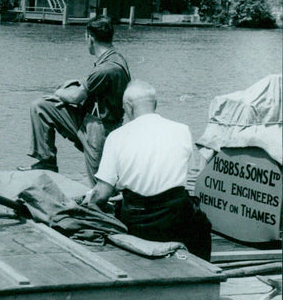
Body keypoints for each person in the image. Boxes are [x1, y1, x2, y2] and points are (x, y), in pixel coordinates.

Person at [83, 80, 212, 260]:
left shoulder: (116, 136)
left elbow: (102, 194)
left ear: (128, 107)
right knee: (202, 225)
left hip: (138, 222)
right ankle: (204, 271)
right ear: (155, 104)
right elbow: (182, 176)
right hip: (175, 218)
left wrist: (90, 200)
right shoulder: (182, 130)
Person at [22, 15, 130, 184]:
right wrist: (77, 83)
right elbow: (94, 86)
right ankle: (46, 162)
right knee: (41, 106)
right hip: (91, 120)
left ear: (90, 38)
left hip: (99, 129)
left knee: (100, 185)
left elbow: (75, 96)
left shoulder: (106, 68)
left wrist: (59, 93)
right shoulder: (115, 59)